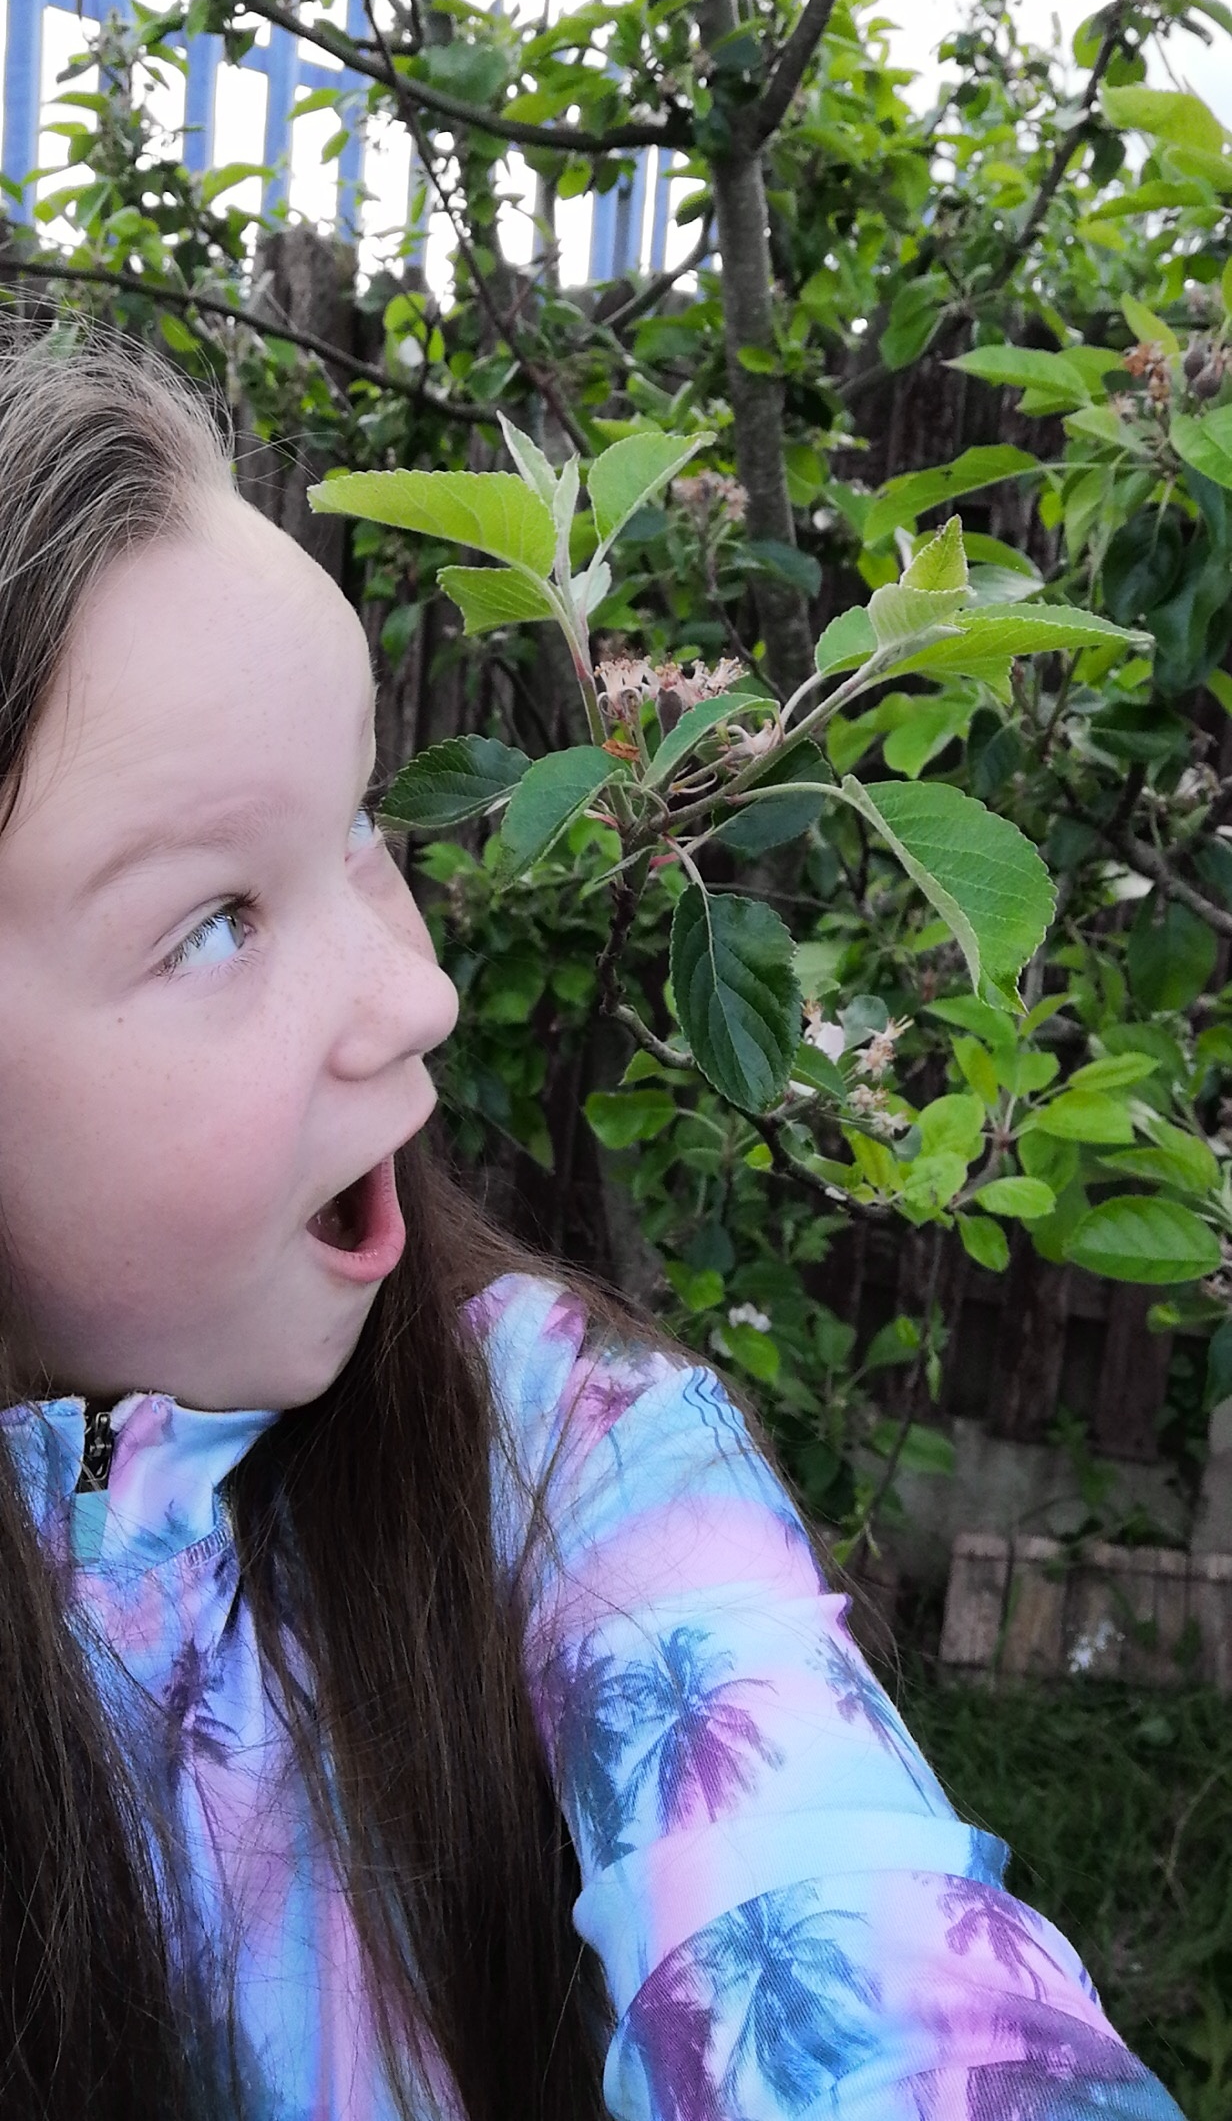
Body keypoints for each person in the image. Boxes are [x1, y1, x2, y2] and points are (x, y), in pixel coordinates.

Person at [0, 330, 1182, 2121]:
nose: (418, 997)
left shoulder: (570, 1449)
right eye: (216, 922)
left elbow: (865, 1975)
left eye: (363, 826)